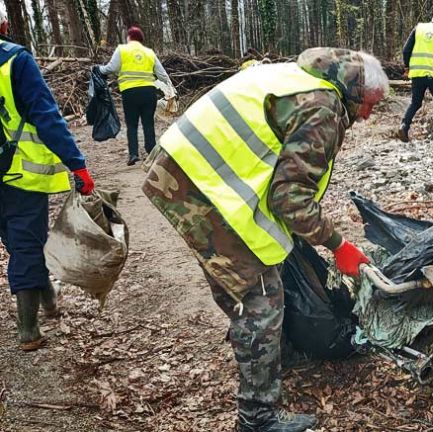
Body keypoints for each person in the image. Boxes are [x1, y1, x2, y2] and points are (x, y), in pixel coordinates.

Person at [142, 48, 388, 432]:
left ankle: (273, 354)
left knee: (248, 278)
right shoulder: (323, 107)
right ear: (355, 91)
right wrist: (339, 245)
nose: (369, 116)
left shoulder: (300, 76)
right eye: (370, 105)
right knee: (259, 299)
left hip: (182, 167)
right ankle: (257, 417)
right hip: (199, 185)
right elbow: (289, 197)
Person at [0, 10, 94, 351]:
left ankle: (49, 300)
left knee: (17, 242)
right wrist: (77, 164)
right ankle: (28, 329)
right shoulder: (15, 61)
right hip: (20, 174)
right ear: (4, 25)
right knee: (25, 244)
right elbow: (46, 115)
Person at [98, 25, 175, 166]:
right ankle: (151, 151)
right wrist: (170, 88)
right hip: (148, 92)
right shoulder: (149, 52)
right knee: (148, 123)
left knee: (132, 124)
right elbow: (162, 74)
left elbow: (111, 68)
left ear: (129, 37)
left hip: (130, 93)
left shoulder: (122, 50)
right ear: (141, 39)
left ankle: (133, 154)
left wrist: (98, 69)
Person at [398, 11, 433, 142]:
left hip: (417, 73)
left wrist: (407, 66)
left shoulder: (418, 29)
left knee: (415, 102)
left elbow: (406, 50)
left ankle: (404, 125)